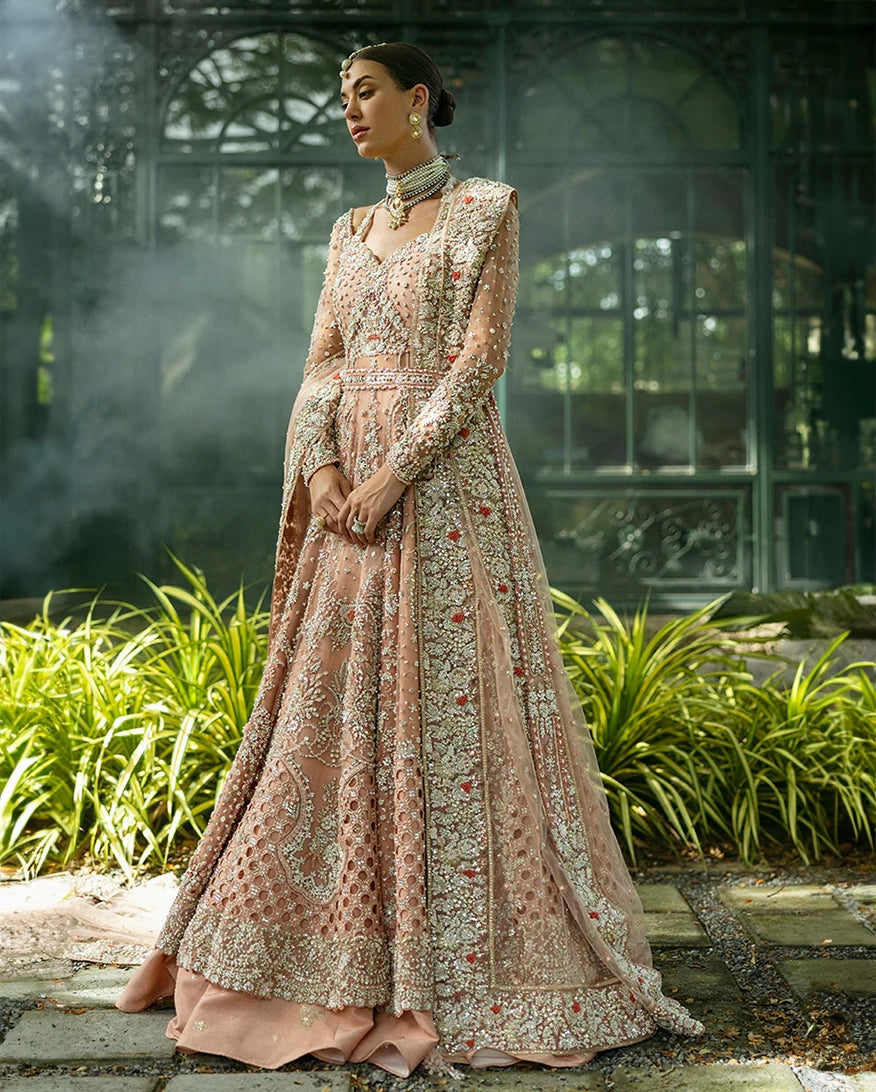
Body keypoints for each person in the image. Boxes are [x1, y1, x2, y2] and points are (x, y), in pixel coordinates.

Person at [116, 41, 704, 1077]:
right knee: (329, 713)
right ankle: (313, 957)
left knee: (454, 710)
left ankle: (460, 965)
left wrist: (394, 475)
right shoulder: (349, 230)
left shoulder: (485, 210)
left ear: (416, 100)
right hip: (348, 502)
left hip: (446, 490)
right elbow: (323, 364)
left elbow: (481, 360)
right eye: (341, 96)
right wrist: (323, 471)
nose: (349, 111)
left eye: (366, 92)